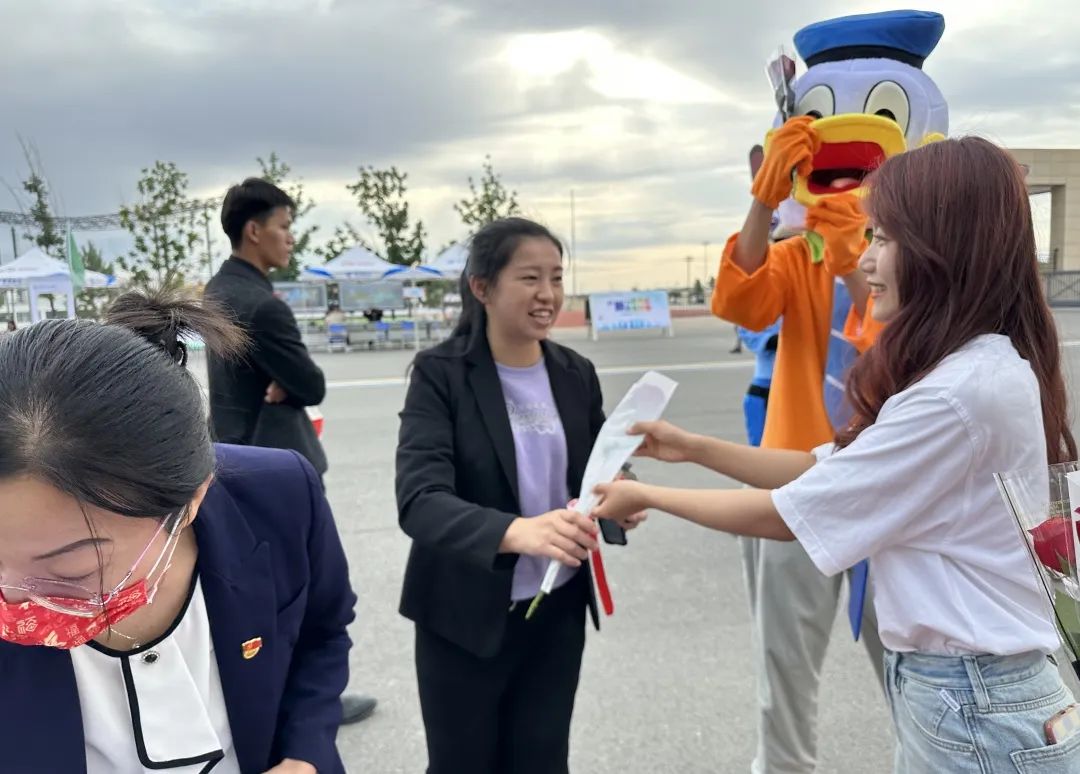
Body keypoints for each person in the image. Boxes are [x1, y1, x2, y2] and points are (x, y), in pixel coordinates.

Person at [594, 137, 1080, 771]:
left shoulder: (954, 396)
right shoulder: (982, 367)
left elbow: (789, 514)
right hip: (975, 692)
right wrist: (690, 448)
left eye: (884, 238)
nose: (867, 259)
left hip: (972, 701)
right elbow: (823, 467)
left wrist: (646, 494)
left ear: (943, 249)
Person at [0, 290, 357, 774]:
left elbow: (323, 633)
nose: (13, 603)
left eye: (70, 570)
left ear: (190, 500)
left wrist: (304, 754)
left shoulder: (276, 499)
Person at [395, 217, 643, 774]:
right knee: (462, 764)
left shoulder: (575, 373)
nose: (548, 294)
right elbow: (419, 499)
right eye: (530, 278)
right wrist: (516, 532)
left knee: (543, 759)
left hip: (556, 611)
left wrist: (619, 497)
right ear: (482, 287)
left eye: (556, 277)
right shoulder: (441, 375)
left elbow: (595, 470)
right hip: (463, 615)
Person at [204, 177, 376, 724]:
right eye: (284, 227)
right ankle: (311, 701)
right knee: (302, 588)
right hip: (276, 463)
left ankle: (263, 699)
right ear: (254, 231)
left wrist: (285, 383)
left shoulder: (217, 291)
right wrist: (288, 385)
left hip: (227, 455)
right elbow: (312, 383)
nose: (290, 238)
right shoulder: (262, 306)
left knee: (255, 590)